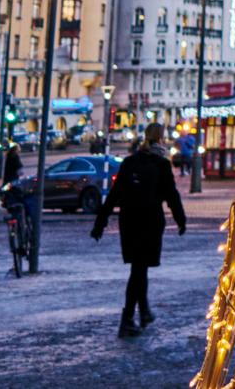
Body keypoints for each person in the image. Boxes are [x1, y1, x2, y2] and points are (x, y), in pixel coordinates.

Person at [94, 129, 187, 338]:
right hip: (150, 222)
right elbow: (171, 195)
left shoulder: (130, 162)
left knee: (139, 268)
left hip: (128, 222)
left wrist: (100, 222)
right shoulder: (161, 165)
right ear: (161, 140)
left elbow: (115, 193)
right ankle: (127, 319)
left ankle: (143, 312)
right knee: (139, 270)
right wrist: (181, 220)